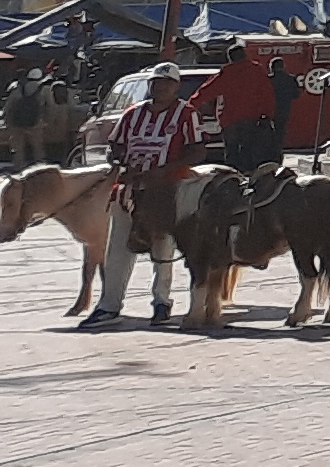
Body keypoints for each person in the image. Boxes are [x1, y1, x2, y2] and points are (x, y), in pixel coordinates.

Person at [85, 68, 204, 329]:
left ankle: (162, 302)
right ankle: (109, 305)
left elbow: (197, 151)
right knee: (117, 248)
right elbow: (114, 146)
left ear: (176, 87)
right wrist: (120, 161)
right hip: (129, 190)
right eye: (156, 83)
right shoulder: (133, 113)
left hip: (168, 190)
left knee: (163, 245)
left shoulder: (186, 114)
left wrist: (166, 170)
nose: (160, 88)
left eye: (166, 83)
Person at [202, 38, 283, 173]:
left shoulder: (226, 72)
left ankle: (231, 175)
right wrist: (268, 114)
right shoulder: (257, 70)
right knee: (248, 148)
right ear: (245, 55)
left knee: (231, 150)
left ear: (230, 58)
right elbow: (267, 94)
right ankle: (247, 175)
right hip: (251, 118)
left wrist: (190, 105)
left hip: (229, 119)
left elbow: (207, 90)